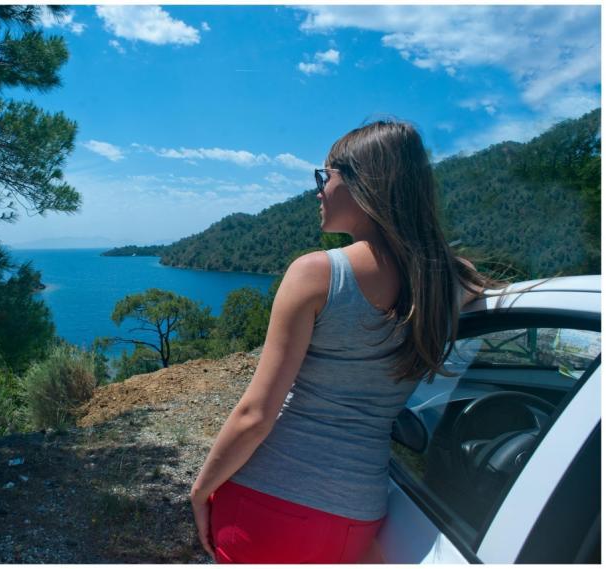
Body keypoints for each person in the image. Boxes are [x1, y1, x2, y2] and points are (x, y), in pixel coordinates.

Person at [189, 120, 500, 563]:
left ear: (364, 184)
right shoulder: (451, 282)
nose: (318, 190)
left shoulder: (316, 274)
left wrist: (202, 489)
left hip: (268, 501)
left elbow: (256, 415)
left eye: (326, 175)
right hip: (357, 517)